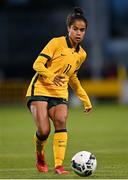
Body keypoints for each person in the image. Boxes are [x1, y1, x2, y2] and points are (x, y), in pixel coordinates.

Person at [26, 7, 92, 174]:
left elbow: (73, 78)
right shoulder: (56, 42)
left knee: (61, 121)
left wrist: (85, 99)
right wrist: (50, 76)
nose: (78, 33)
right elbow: (37, 64)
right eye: (75, 29)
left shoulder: (81, 54)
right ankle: (40, 155)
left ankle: (59, 166)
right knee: (44, 130)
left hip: (60, 92)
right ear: (68, 28)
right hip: (40, 88)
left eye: (82, 30)